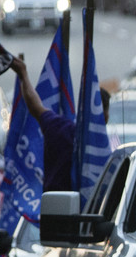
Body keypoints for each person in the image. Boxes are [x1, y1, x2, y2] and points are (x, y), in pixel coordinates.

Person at [10, 56, 111, 192]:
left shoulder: (61, 129)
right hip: (70, 210)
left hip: (54, 208)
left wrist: (23, 75)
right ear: (105, 116)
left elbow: (35, 106)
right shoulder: (105, 150)